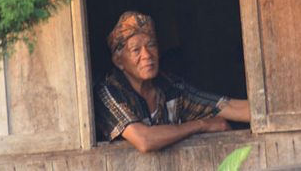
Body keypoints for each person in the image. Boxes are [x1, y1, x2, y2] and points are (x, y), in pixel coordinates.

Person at [94, 11, 250, 153]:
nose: (147, 55)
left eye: (151, 45)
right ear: (118, 61)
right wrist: (202, 125)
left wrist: (271, 114)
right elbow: (144, 140)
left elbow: (228, 106)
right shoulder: (108, 93)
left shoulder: (170, 87)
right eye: (136, 50)